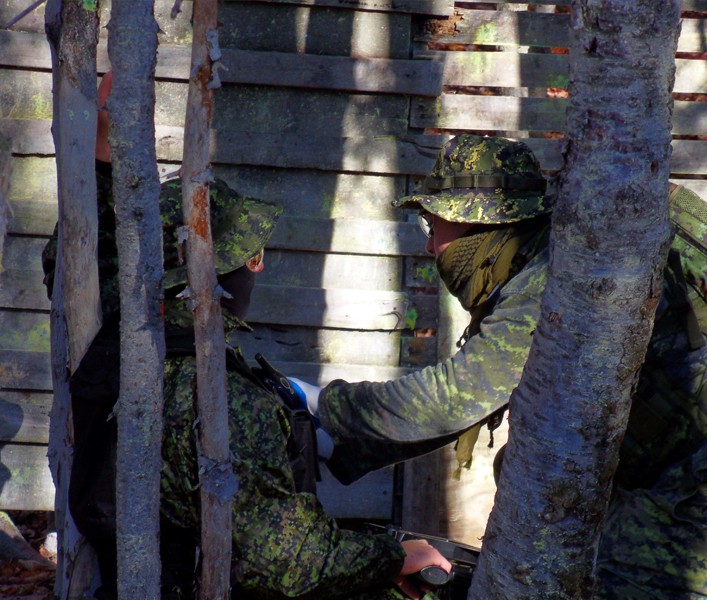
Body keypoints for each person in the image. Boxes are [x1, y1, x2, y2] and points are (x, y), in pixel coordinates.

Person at [293, 134, 707, 598]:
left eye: (435, 226)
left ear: (478, 221)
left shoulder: (556, 275)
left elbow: (457, 397)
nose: (430, 247)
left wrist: (327, 410)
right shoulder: (566, 253)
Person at [42, 72, 451, 600]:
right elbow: (284, 563)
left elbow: (79, 251)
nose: (259, 268)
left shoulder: (110, 340)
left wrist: (101, 142)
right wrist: (395, 555)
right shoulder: (221, 400)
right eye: (255, 254)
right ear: (247, 265)